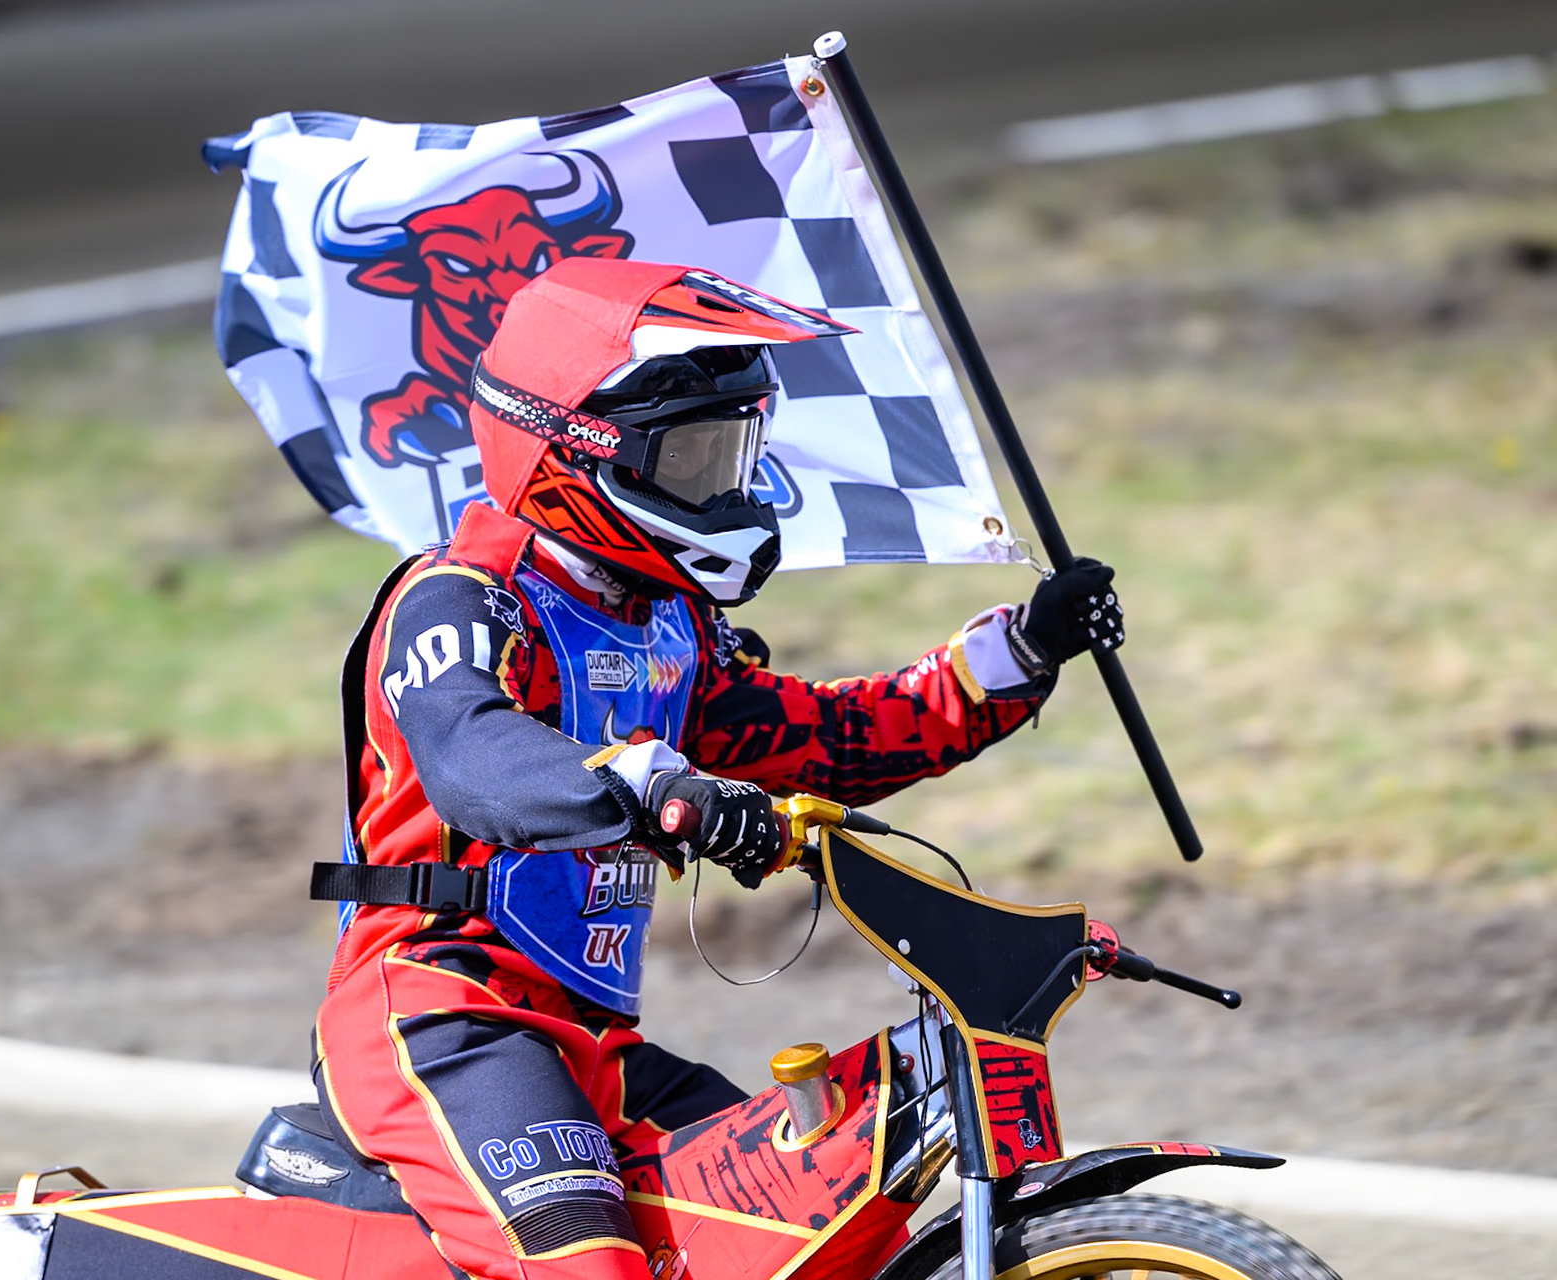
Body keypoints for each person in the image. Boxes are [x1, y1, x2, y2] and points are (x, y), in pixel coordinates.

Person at [308, 258, 1124, 1280]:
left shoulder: (668, 628)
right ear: (578, 453)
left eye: (734, 452)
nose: (726, 488)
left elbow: (824, 740)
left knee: (796, 1229)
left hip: (591, 1043)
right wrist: (652, 782)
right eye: (693, 458)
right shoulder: (463, 599)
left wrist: (1019, 653)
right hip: (441, 1013)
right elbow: (479, 761)